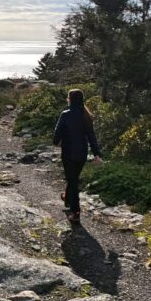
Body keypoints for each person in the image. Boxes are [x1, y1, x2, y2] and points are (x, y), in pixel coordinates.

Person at [52, 88, 101, 223]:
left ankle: (76, 212)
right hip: (82, 153)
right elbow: (92, 136)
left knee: (72, 180)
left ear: (70, 99)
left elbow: (57, 135)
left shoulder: (66, 114)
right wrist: (96, 153)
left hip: (68, 152)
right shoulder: (86, 115)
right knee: (73, 178)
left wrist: (56, 142)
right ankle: (67, 199)